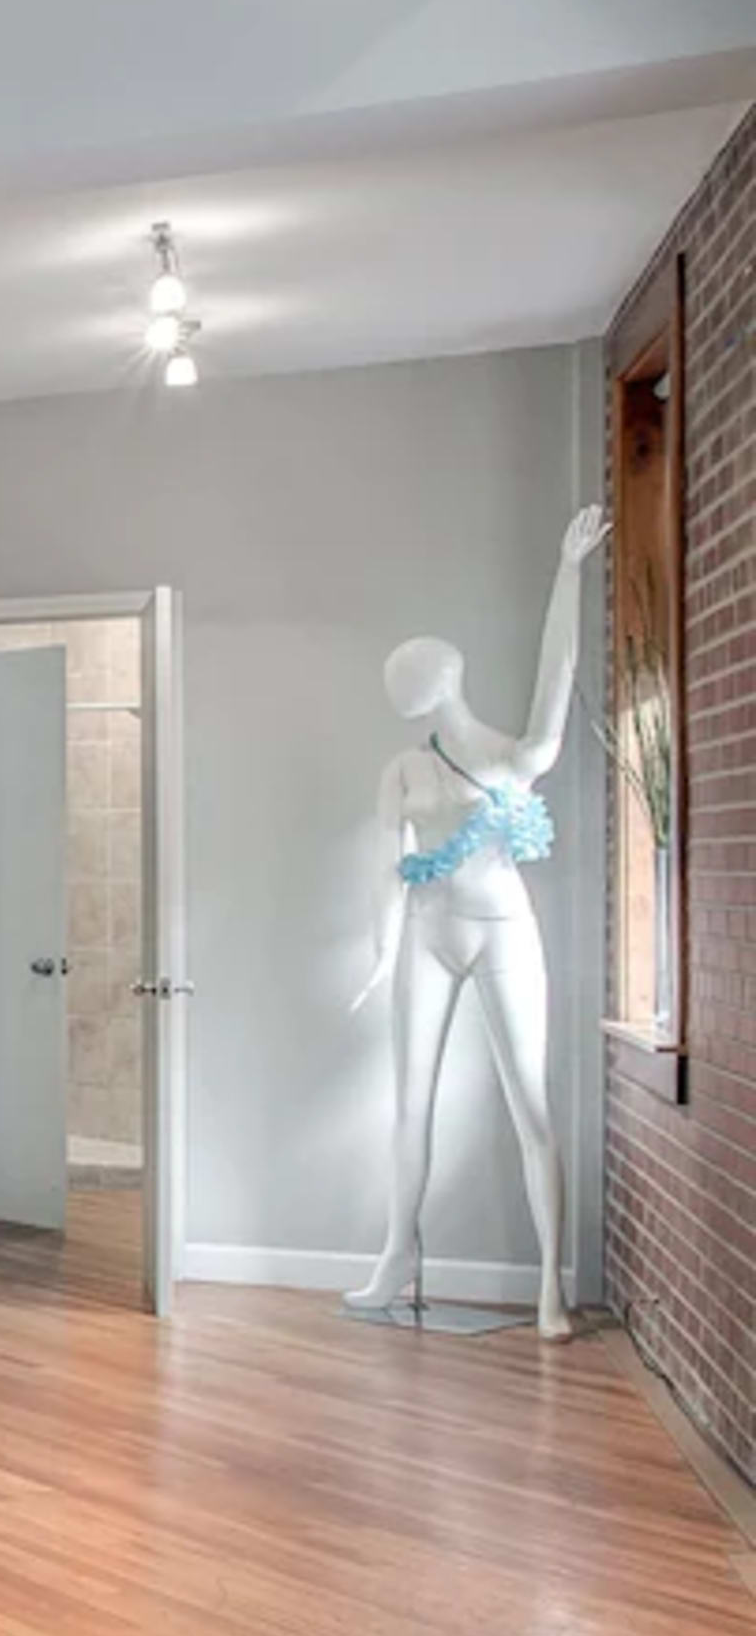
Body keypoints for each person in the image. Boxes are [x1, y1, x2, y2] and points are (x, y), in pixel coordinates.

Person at [343, 504, 604, 1336]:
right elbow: (388, 865)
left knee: (532, 1104)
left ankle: (550, 1286)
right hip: (426, 934)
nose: (406, 684)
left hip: (501, 931)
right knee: (408, 1103)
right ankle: (395, 1255)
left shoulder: (515, 754)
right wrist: (381, 950)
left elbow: (557, 673)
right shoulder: (402, 769)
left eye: (416, 670)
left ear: (447, 678)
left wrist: (569, 571)